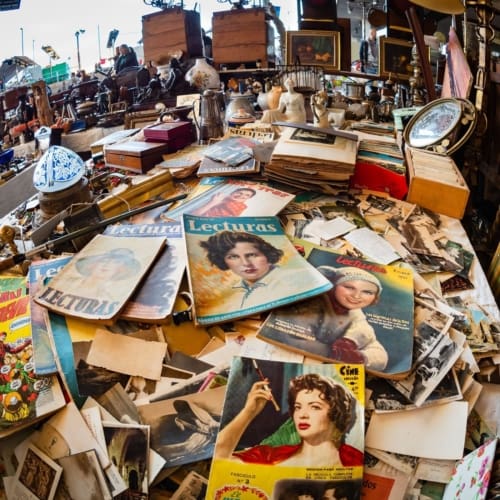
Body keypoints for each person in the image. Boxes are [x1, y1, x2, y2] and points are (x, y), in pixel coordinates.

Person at [214, 372, 362, 467]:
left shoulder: (354, 460)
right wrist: (248, 412)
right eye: (298, 407)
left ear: (336, 413)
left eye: (315, 407)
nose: (302, 414)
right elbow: (219, 458)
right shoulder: (270, 455)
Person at [199, 230, 314, 310]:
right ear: (224, 261)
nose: (246, 263)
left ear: (267, 254)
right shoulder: (237, 293)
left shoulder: (293, 280)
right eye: (233, 257)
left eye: (252, 255)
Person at [313, 266, 389, 371]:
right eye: (349, 287)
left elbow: (363, 329)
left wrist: (351, 345)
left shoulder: (356, 313)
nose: (356, 296)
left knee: (379, 354)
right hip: (318, 350)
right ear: (333, 286)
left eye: (367, 292)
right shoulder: (317, 303)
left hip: (341, 353)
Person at [192, 187, 256, 217]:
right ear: (233, 192)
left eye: (247, 195)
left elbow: (194, 215)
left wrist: (214, 202)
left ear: (248, 198)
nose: (241, 196)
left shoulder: (241, 206)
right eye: (239, 193)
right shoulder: (220, 196)